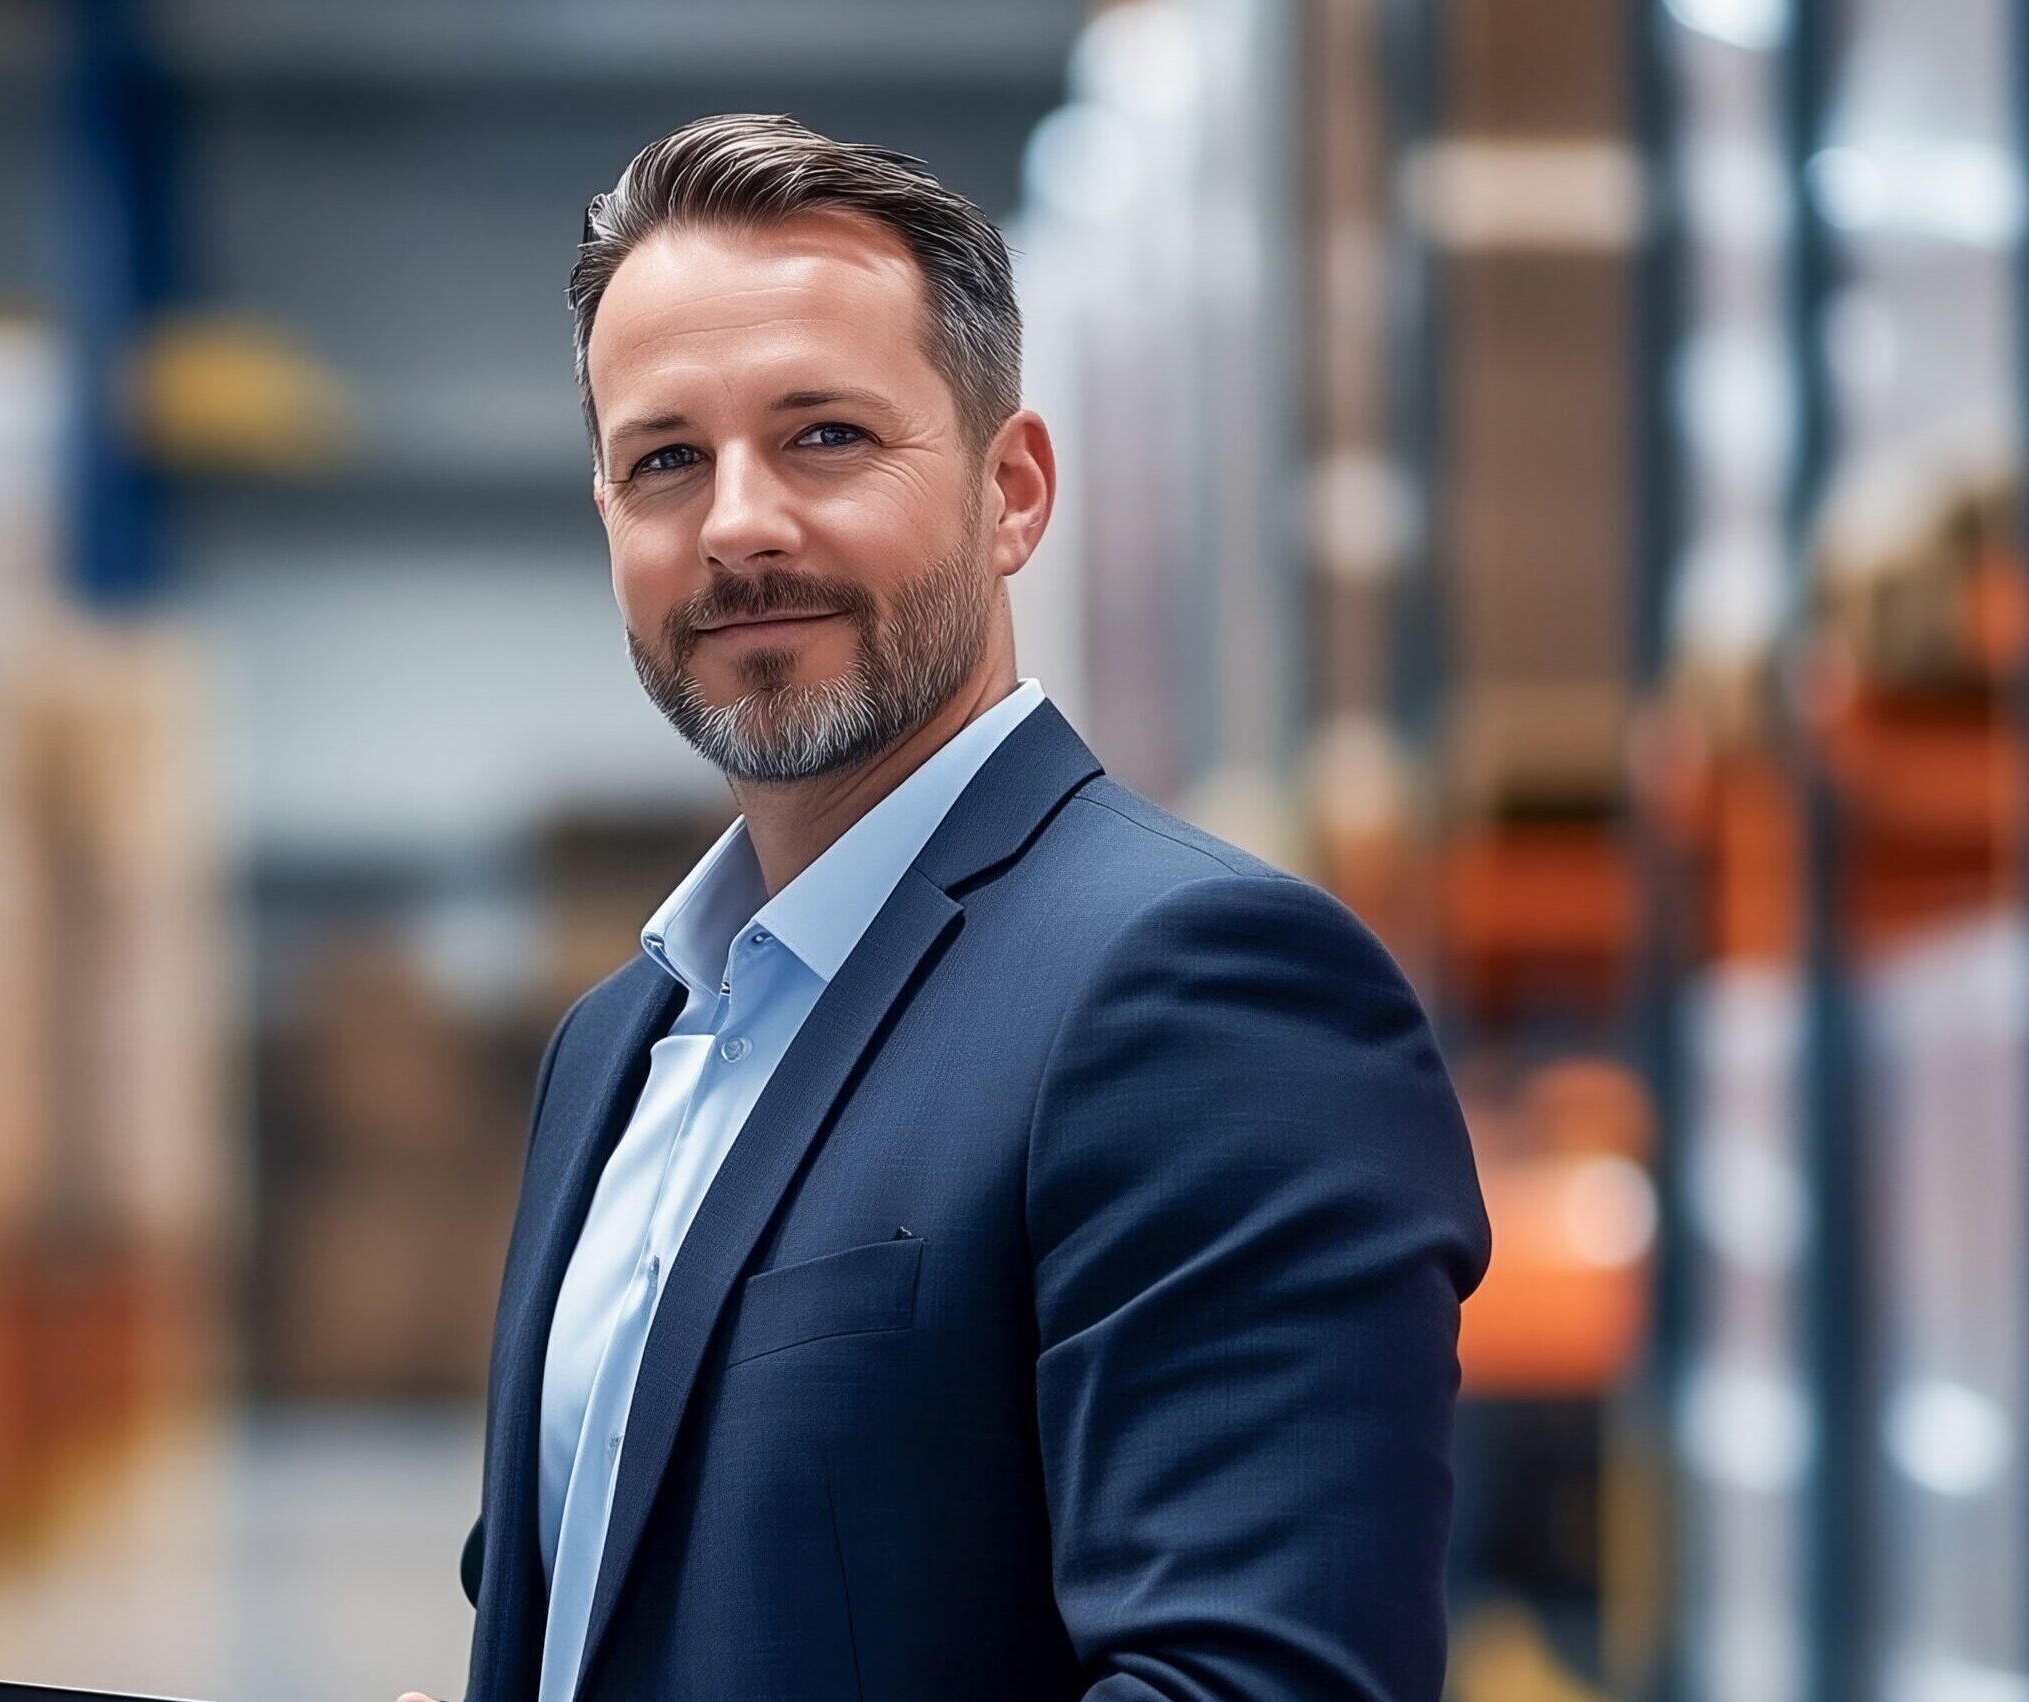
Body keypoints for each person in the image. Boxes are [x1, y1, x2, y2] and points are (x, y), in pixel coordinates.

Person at [402, 112, 1491, 1702]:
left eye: (825, 435)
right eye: (665, 461)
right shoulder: (619, 1050)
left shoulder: (1194, 991)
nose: (740, 525)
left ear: (1013, 493)